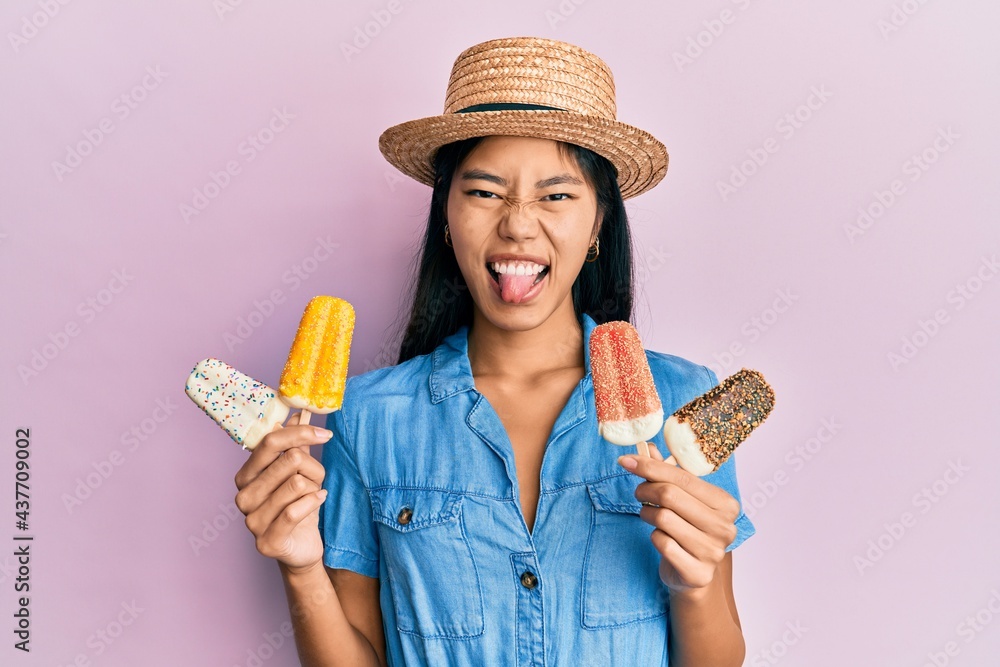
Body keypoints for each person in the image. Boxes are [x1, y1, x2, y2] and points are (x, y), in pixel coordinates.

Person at [234, 37, 755, 666]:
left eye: (557, 195)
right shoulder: (362, 419)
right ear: (446, 217)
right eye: (483, 192)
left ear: (597, 226)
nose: (517, 223)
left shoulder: (682, 402)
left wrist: (693, 584)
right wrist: (301, 567)